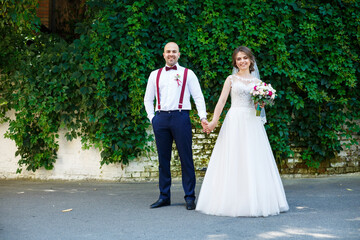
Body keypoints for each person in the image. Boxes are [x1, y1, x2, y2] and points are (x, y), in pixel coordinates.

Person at [195, 46, 289, 217]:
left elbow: (259, 112)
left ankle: (253, 200)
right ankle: (231, 200)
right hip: (235, 120)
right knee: (233, 157)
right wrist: (214, 121)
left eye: (245, 58)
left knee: (252, 159)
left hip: (252, 122)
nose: (242, 61)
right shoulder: (231, 79)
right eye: (239, 59)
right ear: (235, 62)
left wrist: (260, 106)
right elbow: (222, 101)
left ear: (251, 60)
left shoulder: (258, 84)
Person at [144, 42, 208, 210]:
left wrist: (203, 117)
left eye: (174, 51)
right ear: (163, 54)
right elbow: (147, 99)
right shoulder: (154, 75)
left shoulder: (188, 73)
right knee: (163, 160)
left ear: (179, 54)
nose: (171, 54)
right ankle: (164, 196)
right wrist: (153, 119)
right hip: (161, 119)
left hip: (181, 117)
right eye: (168, 52)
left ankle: (189, 197)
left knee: (186, 158)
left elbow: (198, 97)